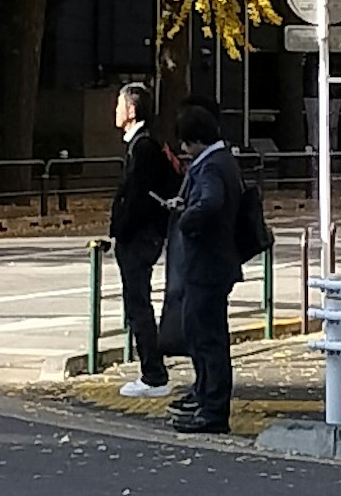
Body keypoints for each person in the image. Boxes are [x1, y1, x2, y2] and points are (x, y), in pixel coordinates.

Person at [161, 103, 258, 434]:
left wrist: (186, 218)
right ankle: (205, 401)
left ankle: (212, 410)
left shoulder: (212, 166)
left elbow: (211, 202)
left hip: (207, 265)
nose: (184, 151)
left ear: (194, 140)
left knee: (207, 339)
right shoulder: (221, 160)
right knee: (205, 336)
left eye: (185, 143)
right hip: (215, 264)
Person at [106, 78, 180, 399]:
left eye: (120, 104)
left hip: (140, 238)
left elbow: (137, 197)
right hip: (143, 236)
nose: (116, 110)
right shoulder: (145, 145)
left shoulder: (143, 147)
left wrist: (121, 228)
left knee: (138, 305)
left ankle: (153, 374)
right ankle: (152, 370)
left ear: (132, 110)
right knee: (137, 304)